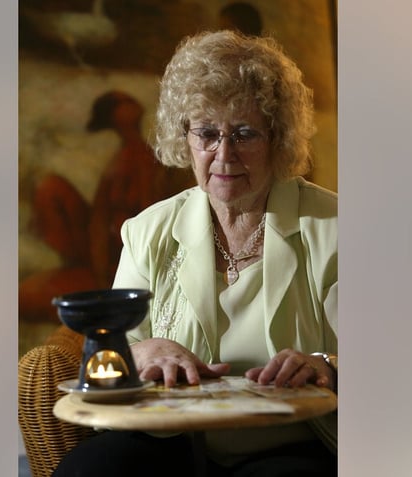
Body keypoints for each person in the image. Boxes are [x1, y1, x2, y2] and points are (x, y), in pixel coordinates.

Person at [53, 30, 338, 477]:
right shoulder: (148, 231)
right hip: (170, 438)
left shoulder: (336, 228)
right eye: (207, 133)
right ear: (184, 136)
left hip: (293, 441)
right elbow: (111, 349)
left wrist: (324, 365)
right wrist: (145, 351)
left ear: (277, 138)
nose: (223, 154)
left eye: (244, 134)